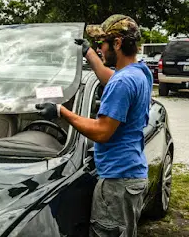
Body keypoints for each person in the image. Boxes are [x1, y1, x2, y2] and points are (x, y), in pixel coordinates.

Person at [36, 14, 153, 237]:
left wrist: (61, 111)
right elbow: (111, 78)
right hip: (131, 175)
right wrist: (89, 53)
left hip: (117, 182)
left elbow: (102, 132)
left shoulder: (123, 82)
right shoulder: (140, 73)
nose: (100, 48)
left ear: (117, 44)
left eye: (102, 44)